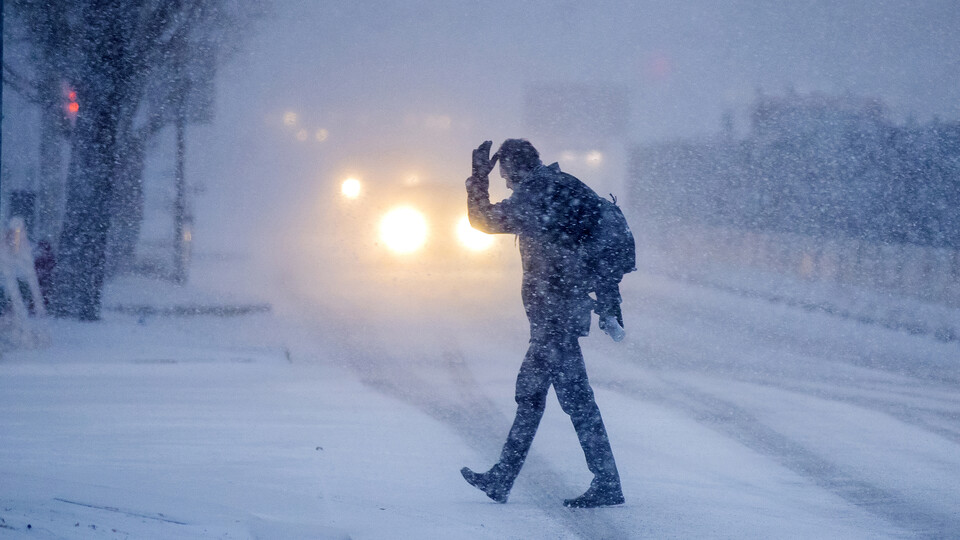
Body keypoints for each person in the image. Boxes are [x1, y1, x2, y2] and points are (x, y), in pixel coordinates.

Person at [460, 139, 624, 508]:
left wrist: (476, 181)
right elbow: (601, 240)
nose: (504, 182)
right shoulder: (567, 186)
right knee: (561, 399)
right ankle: (600, 480)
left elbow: (484, 221)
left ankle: (511, 478)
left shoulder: (538, 193)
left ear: (515, 168)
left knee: (540, 396)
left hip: (556, 315)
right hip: (561, 310)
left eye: (503, 175)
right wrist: (610, 304)